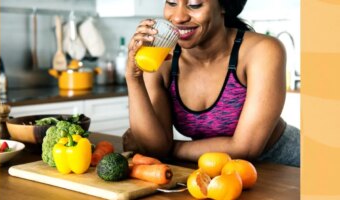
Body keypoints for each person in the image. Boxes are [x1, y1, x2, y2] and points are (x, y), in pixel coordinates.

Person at [123, 0, 300, 167]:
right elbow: (155, 148)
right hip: (215, 170)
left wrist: (170, 149)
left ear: (223, 5)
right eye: (171, 2)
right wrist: (133, 78)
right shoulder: (163, 57)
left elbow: (246, 149)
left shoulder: (262, 50)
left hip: (286, 165)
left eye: (195, 4)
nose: (178, 17)